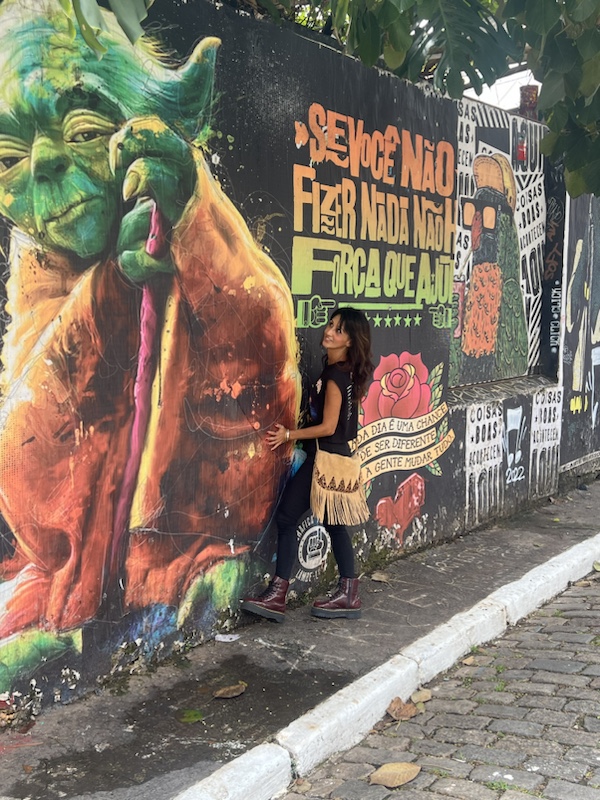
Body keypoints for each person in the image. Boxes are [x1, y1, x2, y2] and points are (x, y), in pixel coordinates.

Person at [241, 307, 374, 622]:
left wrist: (289, 435)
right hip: (336, 458)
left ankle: (278, 595)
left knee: (288, 517)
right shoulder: (344, 373)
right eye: (330, 324)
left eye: (339, 330)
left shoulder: (335, 377)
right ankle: (347, 593)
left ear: (351, 341)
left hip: (324, 459)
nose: (329, 331)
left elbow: (328, 426)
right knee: (333, 525)